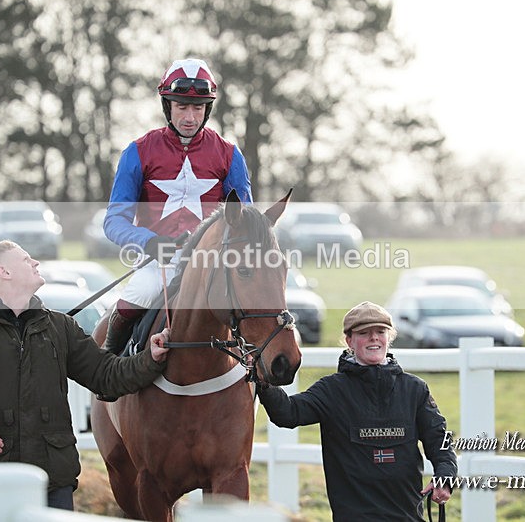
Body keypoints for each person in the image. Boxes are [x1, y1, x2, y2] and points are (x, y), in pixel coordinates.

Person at [0, 240, 170, 510]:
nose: (35, 263)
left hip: (54, 482)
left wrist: (150, 357)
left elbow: (106, 374)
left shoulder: (60, 326)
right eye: (25, 259)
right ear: (4, 272)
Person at [102, 57, 252, 355]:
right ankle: (109, 363)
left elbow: (244, 219)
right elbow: (114, 222)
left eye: (198, 108)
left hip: (212, 265)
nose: (190, 117)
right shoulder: (137, 152)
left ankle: (259, 378)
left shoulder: (229, 155)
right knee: (141, 292)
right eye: (182, 106)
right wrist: (149, 241)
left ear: (207, 110)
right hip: (159, 262)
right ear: (167, 106)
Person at [256, 301, 457, 521]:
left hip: (406, 515)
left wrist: (445, 478)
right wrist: (263, 381)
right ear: (349, 340)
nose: (374, 338)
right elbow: (288, 413)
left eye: (380, 331)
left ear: (389, 338)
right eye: (364, 332)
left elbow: (439, 440)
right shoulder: (331, 390)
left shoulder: (415, 389)